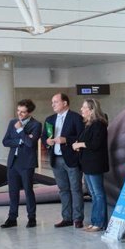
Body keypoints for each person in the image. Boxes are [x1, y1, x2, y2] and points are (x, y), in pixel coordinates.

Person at [44, 92, 84, 228]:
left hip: (72, 159)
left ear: (65, 103)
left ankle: (78, 218)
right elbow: (45, 138)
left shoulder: (76, 118)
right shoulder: (49, 119)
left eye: (55, 102)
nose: (53, 105)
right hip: (56, 160)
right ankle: (66, 217)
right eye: (52, 102)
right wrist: (47, 141)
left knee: (76, 189)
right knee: (63, 190)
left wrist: (66, 140)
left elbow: (81, 136)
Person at [0, 99, 41, 229]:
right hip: (13, 162)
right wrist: (21, 140)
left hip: (27, 163)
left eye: (23, 112)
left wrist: (20, 131)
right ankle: (12, 218)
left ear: (29, 112)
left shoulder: (36, 125)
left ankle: (31, 217)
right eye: (18, 111)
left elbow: (30, 144)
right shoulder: (12, 122)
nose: (20, 114)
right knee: (12, 191)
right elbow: (5, 141)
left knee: (28, 191)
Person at [72, 98, 110, 232]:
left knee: (98, 194)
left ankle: (99, 223)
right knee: (93, 194)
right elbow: (84, 141)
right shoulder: (88, 124)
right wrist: (77, 144)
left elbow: (95, 144)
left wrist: (80, 144)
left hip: (95, 164)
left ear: (92, 110)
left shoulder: (99, 124)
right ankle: (95, 221)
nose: (81, 110)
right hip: (87, 164)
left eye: (84, 107)